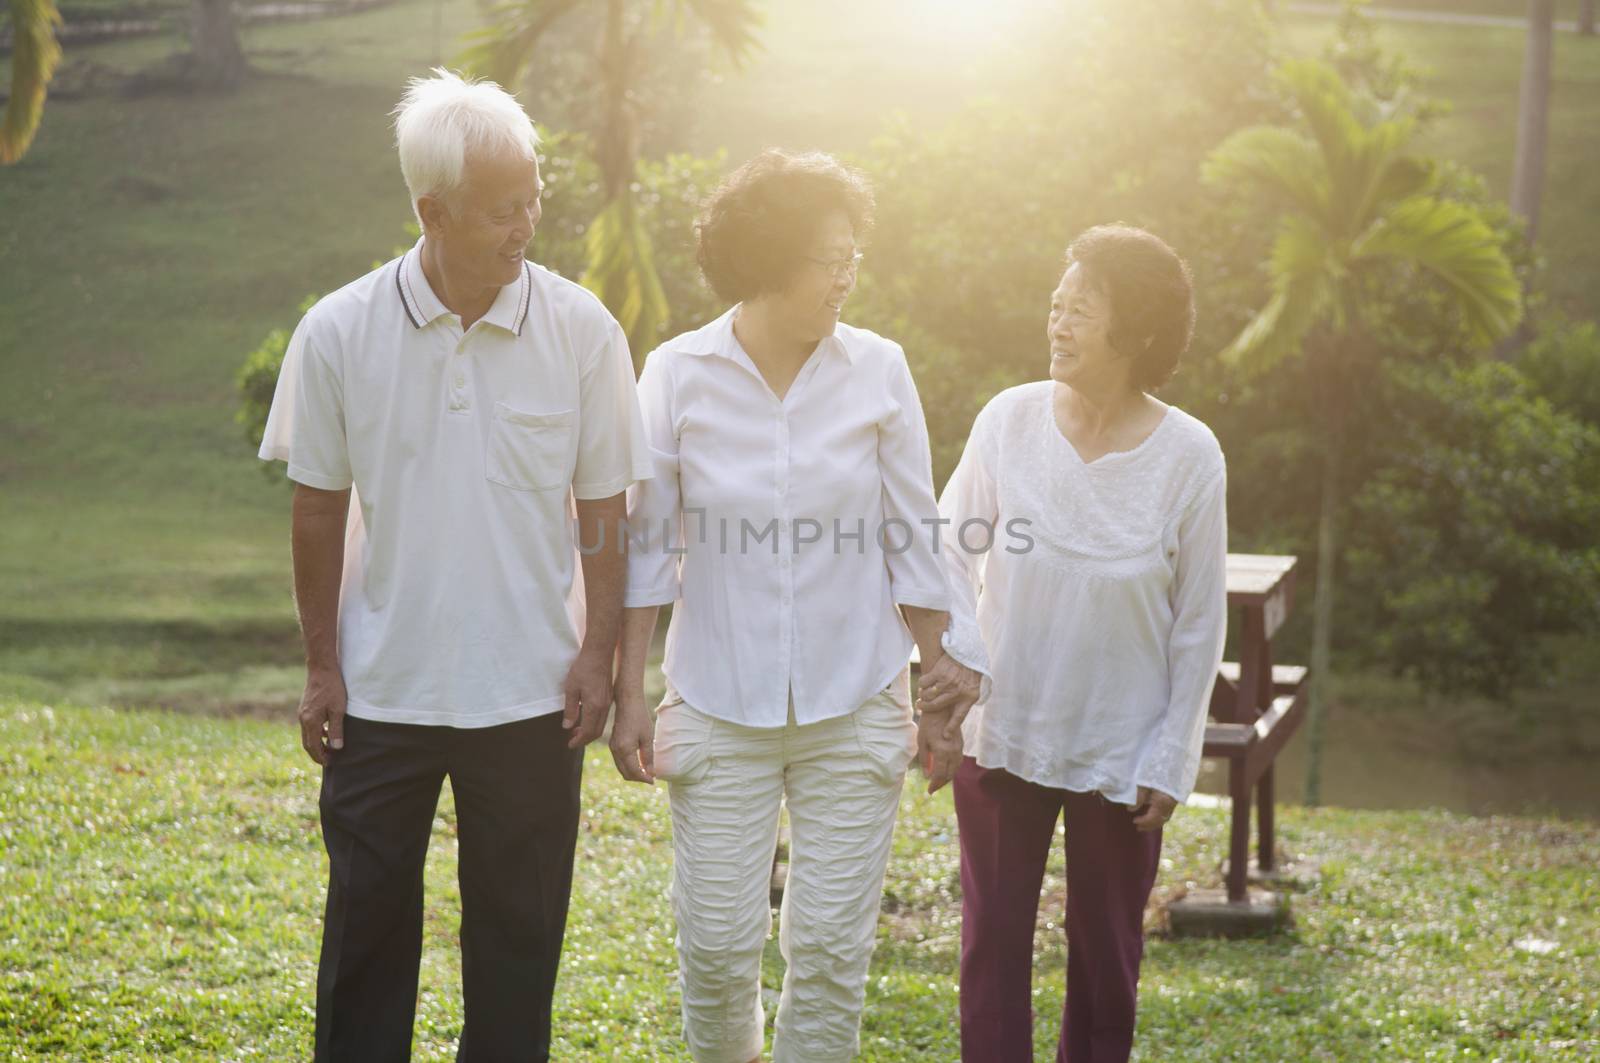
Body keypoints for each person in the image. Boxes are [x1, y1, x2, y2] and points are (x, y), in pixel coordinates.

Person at [257, 68, 652, 1062]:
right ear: (430, 211)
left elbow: (606, 509)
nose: (525, 227)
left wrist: (598, 650)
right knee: (365, 940)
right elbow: (316, 510)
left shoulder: (582, 330)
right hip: (382, 692)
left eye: (533, 201)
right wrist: (321, 664)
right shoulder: (338, 331)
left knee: (519, 954)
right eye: (501, 210)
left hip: (530, 697)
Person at [608, 149, 987, 1063]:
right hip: (717, 698)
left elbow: (912, 533)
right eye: (830, 256)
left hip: (854, 700)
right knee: (715, 945)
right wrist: (630, 691)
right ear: (770, 262)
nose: (847, 274)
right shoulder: (676, 372)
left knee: (826, 952)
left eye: (854, 252)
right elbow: (648, 549)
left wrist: (939, 671)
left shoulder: (879, 370)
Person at [938, 224, 1228, 1063]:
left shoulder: (1190, 455)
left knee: (1107, 963)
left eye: (1081, 311)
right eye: (1056, 306)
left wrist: (1172, 756)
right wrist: (958, 668)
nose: (1058, 325)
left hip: (1121, 748)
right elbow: (946, 548)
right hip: (1005, 733)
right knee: (992, 948)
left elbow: (1199, 621)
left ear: (1135, 333)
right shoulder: (1010, 420)